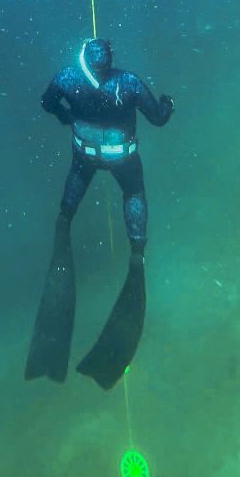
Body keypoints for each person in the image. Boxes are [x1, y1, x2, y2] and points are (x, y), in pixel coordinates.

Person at [25, 37, 173, 389]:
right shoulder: (128, 82)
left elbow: (46, 103)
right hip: (122, 157)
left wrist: (66, 115)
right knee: (133, 192)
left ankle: (64, 220)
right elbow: (157, 119)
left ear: (85, 59)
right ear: (110, 59)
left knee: (74, 189)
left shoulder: (67, 78)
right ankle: (136, 250)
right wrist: (168, 105)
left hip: (85, 154)